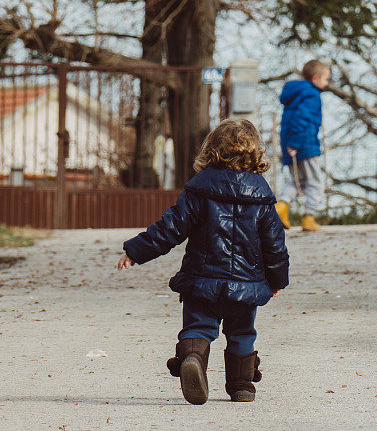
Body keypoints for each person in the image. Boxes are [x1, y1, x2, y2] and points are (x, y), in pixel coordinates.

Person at [116, 119, 289, 405]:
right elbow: (275, 246)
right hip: (245, 287)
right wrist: (277, 279)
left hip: (202, 281)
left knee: (198, 328)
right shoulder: (262, 198)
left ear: (211, 151)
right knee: (242, 333)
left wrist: (136, 251)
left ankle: (193, 358)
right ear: (255, 154)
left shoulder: (199, 190)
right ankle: (242, 386)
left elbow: (170, 228)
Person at [275, 59, 330, 232]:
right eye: (326, 79)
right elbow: (303, 120)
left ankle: (281, 207)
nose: (327, 83)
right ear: (315, 78)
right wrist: (296, 143)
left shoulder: (295, 94)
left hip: (291, 143)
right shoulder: (312, 94)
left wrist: (291, 144)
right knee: (315, 182)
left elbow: (291, 121)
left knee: (298, 181)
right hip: (304, 144)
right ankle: (309, 217)